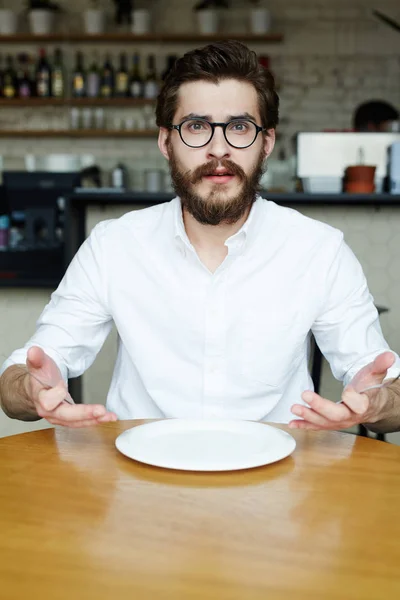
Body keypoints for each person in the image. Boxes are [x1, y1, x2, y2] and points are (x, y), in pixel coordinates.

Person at [1, 41, 400, 434]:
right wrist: (33, 390)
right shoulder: (114, 245)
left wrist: (377, 401)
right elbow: (23, 376)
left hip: (279, 483)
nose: (218, 148)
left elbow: (384, 383)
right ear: (165, 142)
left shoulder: (319, 250)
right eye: (196, 126)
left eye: (240, 127)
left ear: (267, 143)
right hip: (138, 480)